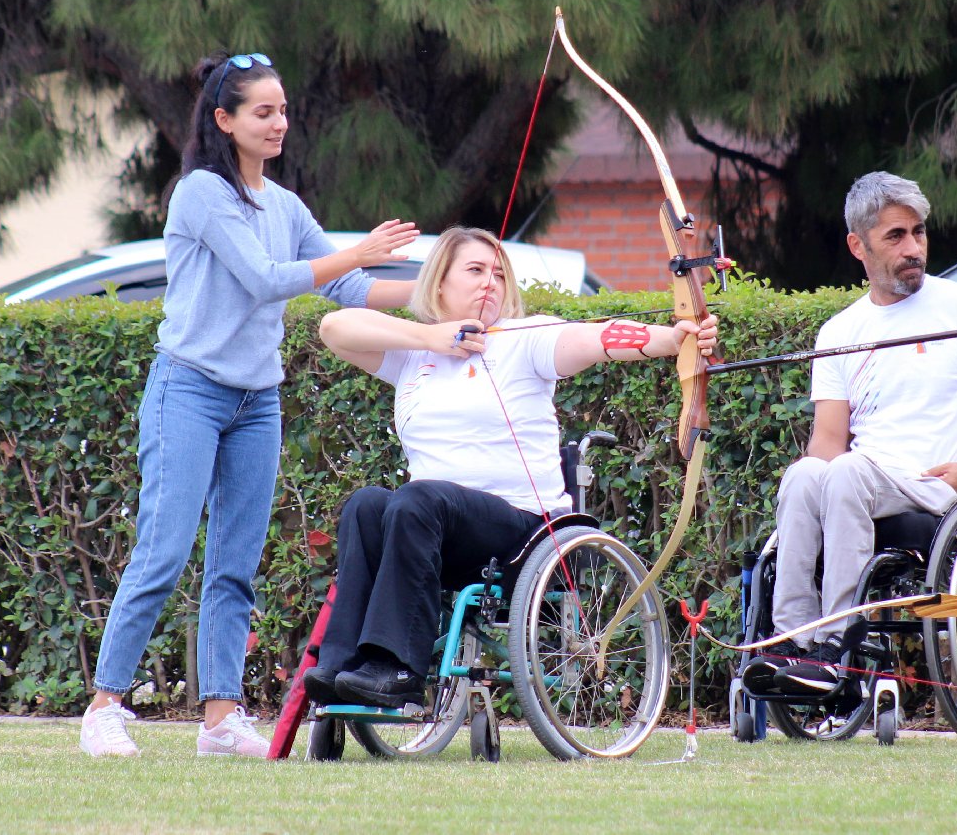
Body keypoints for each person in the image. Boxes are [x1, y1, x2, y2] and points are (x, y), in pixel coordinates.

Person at [80, 52, 420, 758]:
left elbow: (349, 291)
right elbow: (267, 280)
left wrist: (438, 292)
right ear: (224, 120)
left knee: (235, 566)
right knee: (163, 553)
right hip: (188, 391)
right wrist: (359, 252)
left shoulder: (285, 206)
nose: (278, 123)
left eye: (283, 110)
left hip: (257, 403)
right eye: (263, 112)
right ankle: (104, 707)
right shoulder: (201, 194)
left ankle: (220, 721)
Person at [302, 225, 719, 708]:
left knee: (417, 498)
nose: (490, 282)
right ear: (440, 282)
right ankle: (342, 664)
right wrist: (431, 336)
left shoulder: (527, 338)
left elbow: (597, 338)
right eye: (475, 270)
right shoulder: (413, 353)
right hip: (430, 530)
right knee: (366, 505)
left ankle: (397, 669)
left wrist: (672, 338)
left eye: (499, 274)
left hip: (522, 532)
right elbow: (334, 328)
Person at [746, 171, 957, 695]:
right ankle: (792, 643)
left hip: (939, 488)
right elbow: (828, 441)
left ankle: (837, 650)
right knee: (803, 476)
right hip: (863, 483)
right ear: (858, 246)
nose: (913, 248)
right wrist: (813, 486)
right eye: (895, 236)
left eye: (918, 232)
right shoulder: (840, 332)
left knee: (845, 472)